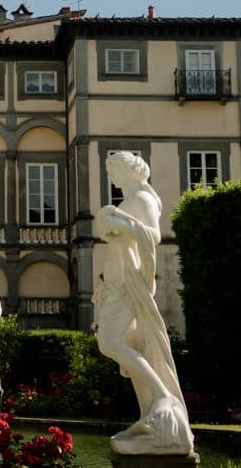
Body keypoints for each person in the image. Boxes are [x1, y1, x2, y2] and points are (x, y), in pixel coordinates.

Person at [92, 151, 193, 454]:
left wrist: (119, 221)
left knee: (109, 343)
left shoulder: (143, 200)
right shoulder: (131, 200)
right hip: (117, 284)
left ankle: (163, 397)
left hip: (128, 285)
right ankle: (151, 413)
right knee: (130, 347)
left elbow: (153, 236)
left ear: (129, 171)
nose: (111, 178)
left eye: (114, 171)